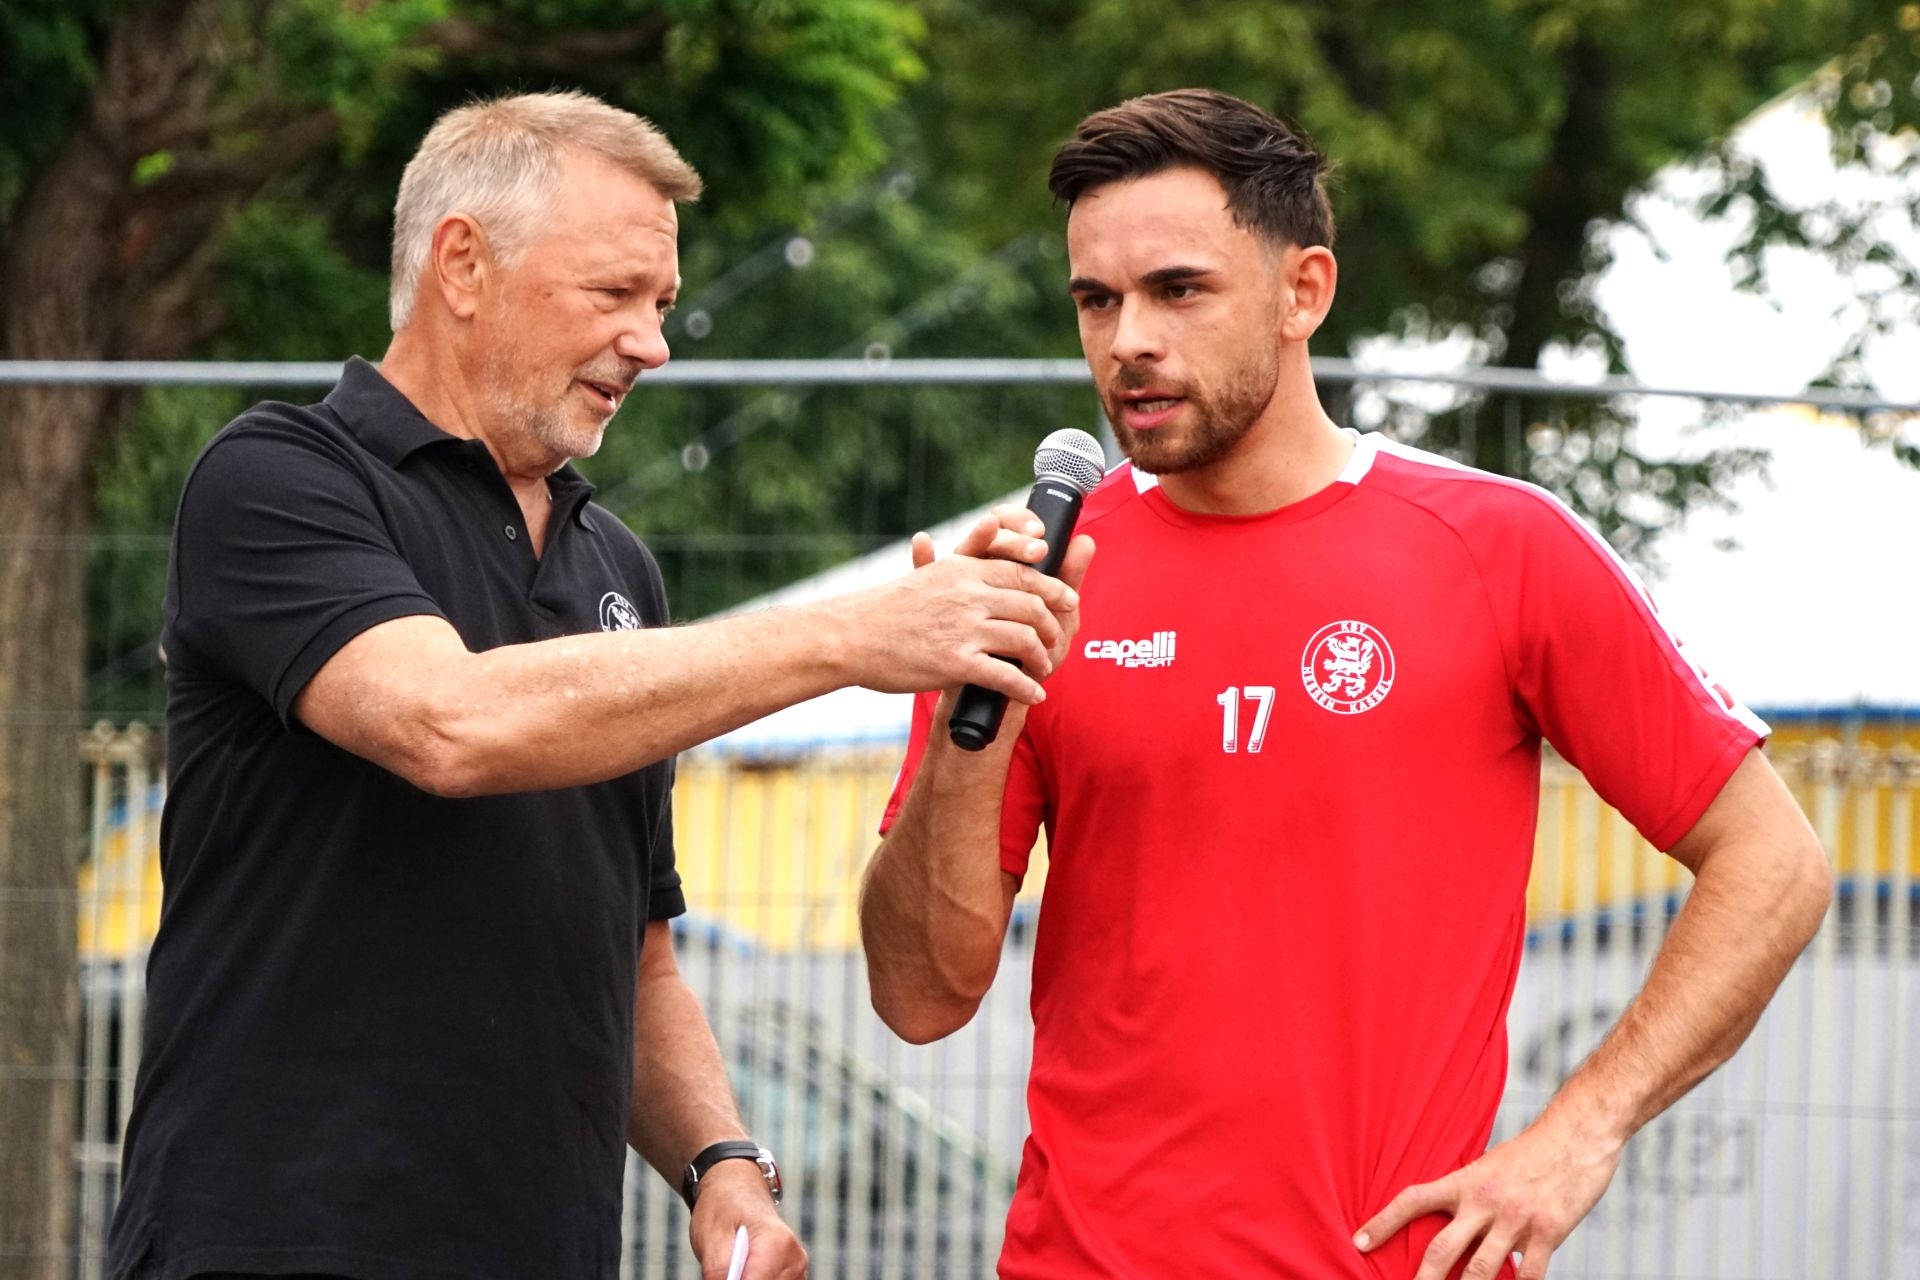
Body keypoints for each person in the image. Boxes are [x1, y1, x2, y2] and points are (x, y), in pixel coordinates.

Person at [858, 88, 1833, 1280]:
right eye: (1096, 300)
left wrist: (1579, 1133)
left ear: (1303, 292)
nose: (1127, 341)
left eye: (1178, 289)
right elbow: (919, 995)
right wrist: (971, 725)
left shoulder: (1499, 546)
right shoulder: (1030, 585)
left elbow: (1775, 863)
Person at [106, 90, 1081, 1280]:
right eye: (615, 293)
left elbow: (634, 956)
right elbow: (449, 721)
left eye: (661, 304)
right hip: (274, 1241)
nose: (654, 343)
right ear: (462, 265)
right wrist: (853, 634)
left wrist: (724, 1165)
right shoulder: (278, 476)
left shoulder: (617, 567)